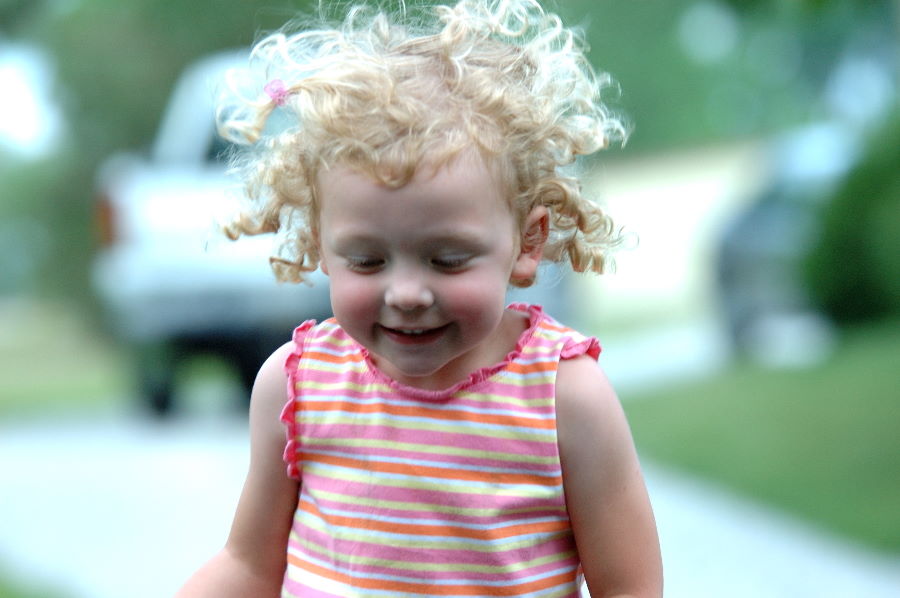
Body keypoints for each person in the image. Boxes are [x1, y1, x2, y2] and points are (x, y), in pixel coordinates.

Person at [176, 0, 662, 596]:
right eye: (368, 261)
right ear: (319, 246)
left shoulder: (565, 398)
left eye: (448, 260)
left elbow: (630, 587)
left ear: (526, 243)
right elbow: (250, 563)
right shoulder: (298, 385)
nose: (406, 294)